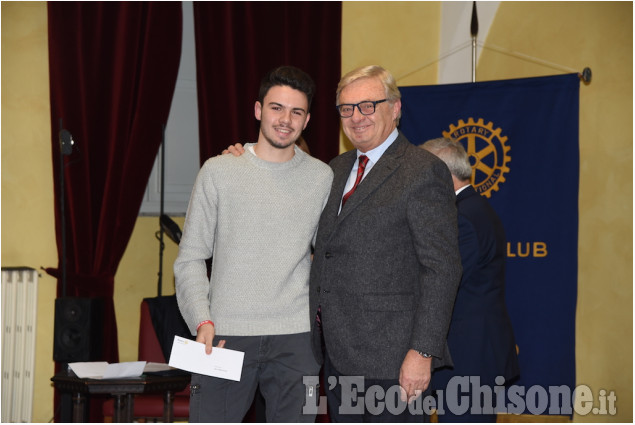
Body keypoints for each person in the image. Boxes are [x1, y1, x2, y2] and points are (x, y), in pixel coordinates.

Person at [174, 65, 333, 423]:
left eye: (297, 112)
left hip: (297, 341)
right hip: (224, 336)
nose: (285, 120)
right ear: (258, 110)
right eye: (276, 108)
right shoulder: (219, 171)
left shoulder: (322, 178)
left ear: (307, 120)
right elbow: (190, 260)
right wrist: (202, 321)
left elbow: (329, 257)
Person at [309, 65, 462, 422]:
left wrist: (422, 353)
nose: (356, 117)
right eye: (346, 108)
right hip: (337, 355)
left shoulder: (422, 170)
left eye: (368, 105)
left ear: (395, 108)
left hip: (394, 362)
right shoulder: (334, 169)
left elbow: (441, 269)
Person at [421, 137, 520, 422]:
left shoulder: (462, 217)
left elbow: (442, 283)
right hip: (471, 353)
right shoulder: (474, 209)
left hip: (468, 357)